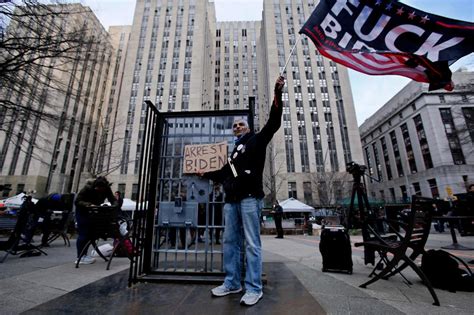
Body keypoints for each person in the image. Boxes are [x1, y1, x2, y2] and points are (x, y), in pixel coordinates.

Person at [200, 75, 285, 306]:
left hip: (250, 199)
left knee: (251, 243)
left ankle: (254, 287)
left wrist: (278, 93)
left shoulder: (257, 140)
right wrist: (203, 173)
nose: (237, 126)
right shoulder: (233, 153)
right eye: (235, 125)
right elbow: (222, 173)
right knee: (230, 242)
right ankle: (232, 282)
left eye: (241, 124)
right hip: (231, 201)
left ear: (248, 127)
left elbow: (274, 122)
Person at [74, 177, 117, 264]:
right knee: (83, 233)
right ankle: (80, 257)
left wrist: (115, 206)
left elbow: (112, 199)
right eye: (97, 189)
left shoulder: (107, 188)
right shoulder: (87, 188)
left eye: (101, 189)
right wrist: (88, 204)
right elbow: (77, 201)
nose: (99, 190)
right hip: (82, 211)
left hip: (94, 211)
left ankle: (84, 255)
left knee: (90, 233)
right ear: (95, 186)